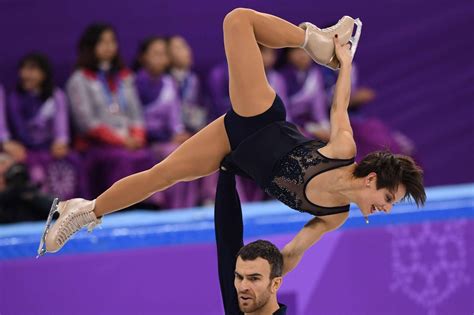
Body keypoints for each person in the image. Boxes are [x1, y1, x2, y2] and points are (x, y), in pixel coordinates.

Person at [39, 8, 425, 283]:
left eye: (390, 204)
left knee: (161, 175)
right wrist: (339, 57)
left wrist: (265, 279)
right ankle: (316, 41)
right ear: (371, 177)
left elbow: (292, 252)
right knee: (238, 21)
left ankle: (83, 210)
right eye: (389, 196)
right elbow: (339, 104)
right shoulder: (342, 149)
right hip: (260, 118)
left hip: (233, 148)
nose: (387, 208)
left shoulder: (335, 215)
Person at [66, 23, 154, 199]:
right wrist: (121, 141)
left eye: (112, 41)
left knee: (146, 155)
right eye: (102, 42)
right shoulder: (79, 79)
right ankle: (118, 204)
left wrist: (137, 137)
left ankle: (145, 204)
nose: (108, 46)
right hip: (96, 145)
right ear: (90, 46)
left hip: (128, 141)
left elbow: (136, 114)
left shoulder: (125, 76)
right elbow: (86, 123)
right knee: (121, 158)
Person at [3, 53, 83, 199]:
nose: (26, 74)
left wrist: (61, 141)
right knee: (32, 169)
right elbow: (18, 127)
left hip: (52, 149)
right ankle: (41, 208)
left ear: (44, 73)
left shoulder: (56, 95)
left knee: (71, 161)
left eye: (32, 69)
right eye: (24, 69)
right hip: (27, 149)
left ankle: (73, 207)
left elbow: (61, 125)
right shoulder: (15, 98)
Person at [134, 36, 199, 209]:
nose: (161, 58)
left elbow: (175, 117)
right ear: (143, 57)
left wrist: (179, 133)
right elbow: (136, 119)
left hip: (169, 139)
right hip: (151, 141)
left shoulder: (169, 82)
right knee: (175, 153)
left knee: (189, 148)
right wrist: (167, 137)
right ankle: (169, 206)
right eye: (156, 54)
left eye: (164, 54)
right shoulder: (135, 83)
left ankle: (188, 205)